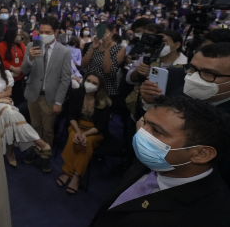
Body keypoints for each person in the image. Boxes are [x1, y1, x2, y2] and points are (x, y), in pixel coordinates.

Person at [90, 96, 230, 227]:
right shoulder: (153, 159)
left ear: (201, 154)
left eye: (156, 130)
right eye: (144, 122)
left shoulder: (210, 217)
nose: (141, 133)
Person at [0, 52, 51, 168]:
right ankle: (36, 140)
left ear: (0, 60)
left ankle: (9, 151)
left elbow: (9, 92)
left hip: (4, 104)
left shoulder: (6, 73)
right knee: (8, 110)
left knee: (9, 114)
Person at [21, 17, 72, 172]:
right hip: (33, 94)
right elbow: (24, 70)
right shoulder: (31, 45)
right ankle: (36, 150)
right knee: (34, 125)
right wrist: (29, 58)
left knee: (48, 129)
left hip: (50, 97)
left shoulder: (64, 51)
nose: (43, 35)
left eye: (47, 32)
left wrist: (59, 102)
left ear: (56, 32)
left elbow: (65, 79)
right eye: (41, 32)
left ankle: (45, 155)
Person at [57, 73, 111, 195]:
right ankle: (67, 171)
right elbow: (71, 116)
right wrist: (77, 132)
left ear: (99, 87)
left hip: (94, 131)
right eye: (88, 80)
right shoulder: (76, 94)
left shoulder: (105, 101)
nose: (90, 84)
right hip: (76, 126)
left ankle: (76, 176)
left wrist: (85, 135)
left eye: (94, 83)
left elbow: (101, 126)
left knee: (87, 142)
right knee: (72, 137)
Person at [82, 23, 126, 99]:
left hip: (106, 88)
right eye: (99, 32)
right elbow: (83, 64)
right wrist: (93, 48)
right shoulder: (94, 44)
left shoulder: (120, 49)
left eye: (104, 33)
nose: (102, 35)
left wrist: (107, 49)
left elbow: (107, 70)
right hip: (89, 84)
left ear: (112, 33)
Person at [0, 26, 26, 106]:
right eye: (17, 35)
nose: (20, 37)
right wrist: (13, 69)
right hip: (7, 77)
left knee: (19, 100)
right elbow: (1, 60)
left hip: (20, 77)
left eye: (20, 35)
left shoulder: (20, 45)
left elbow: (25, 56)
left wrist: (21, 68)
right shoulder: (1, 45)